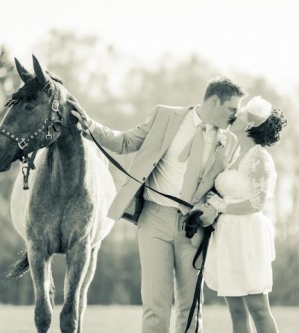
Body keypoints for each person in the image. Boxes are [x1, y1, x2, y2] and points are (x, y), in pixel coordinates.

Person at [68, 77, 245, 333]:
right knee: (155, 305)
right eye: (232, 109)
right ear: (215, 101)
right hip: (154, 220)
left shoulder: (230, 142)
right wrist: (90, 124)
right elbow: (124, 142)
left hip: (194, 228)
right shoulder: (165, 116)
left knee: (191, 308)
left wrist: (212, 209)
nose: (234, 116)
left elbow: (224, 187)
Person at [204, 96, 286, 333]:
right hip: (227, 234)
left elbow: (256, 203)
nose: (235, 115)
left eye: (240, 113)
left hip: (247, 234)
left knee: (258, 309)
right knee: (236, 311)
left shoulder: (260, 158)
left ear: (249, 125)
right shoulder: (234, 154)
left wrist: (222, 207)